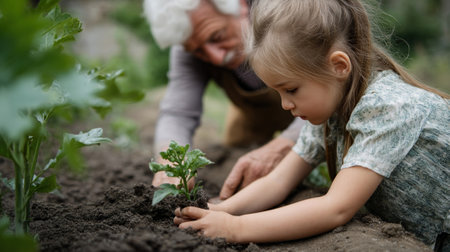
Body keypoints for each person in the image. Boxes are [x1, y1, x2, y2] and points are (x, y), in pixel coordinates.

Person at [172, 0, 450, 249]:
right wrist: (223, 209)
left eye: (291, 89)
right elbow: (279, 180)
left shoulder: (387, 106)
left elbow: (336, 208)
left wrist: (236, 229)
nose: (284, 105)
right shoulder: (332, 109)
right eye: (277, 92)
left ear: (339, 66)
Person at [143, 0, 305, 198]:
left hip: (320, 113)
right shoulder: (190, 42)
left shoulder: (291, 12)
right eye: (198, 51)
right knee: (237, 155)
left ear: (242, 6)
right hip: (255, 116)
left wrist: (286, 143)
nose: (216, 57)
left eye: (217, 36)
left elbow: (330, 97)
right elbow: (177, 113)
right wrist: (171, 161)